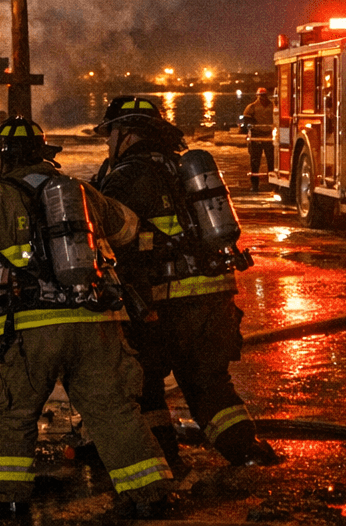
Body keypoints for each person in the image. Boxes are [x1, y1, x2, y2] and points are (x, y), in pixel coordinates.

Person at [0, 115, 176, 521]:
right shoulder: (80, 192)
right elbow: (129, 230)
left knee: (10, 413)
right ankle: (150, 493)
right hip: (95, 321)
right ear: (44, 155)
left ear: (2, 159)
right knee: (114, 411)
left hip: (27, 330)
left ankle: (6, 497)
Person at [93, 95, 280, 468]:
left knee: (143, 386)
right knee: (208, 382)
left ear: (126, 134)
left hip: (164, 302)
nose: (108, 144)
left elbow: (103, 236)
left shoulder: (126, 177)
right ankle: (248, 453)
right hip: (214, 295)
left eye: (109, 135)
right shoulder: (180, 166)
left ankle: (161, 462)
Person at [241, 88, 275, 193]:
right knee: (255, 162)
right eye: (261, 95)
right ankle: (254, 185)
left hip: (269, 137)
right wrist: (247, 133)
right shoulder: (251, 107)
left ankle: (273, 184)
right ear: (257, 96)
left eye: (264, 95)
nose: (262, 97)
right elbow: (246, 122)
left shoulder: (273, 106)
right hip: (256, 137)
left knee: (272, 162)